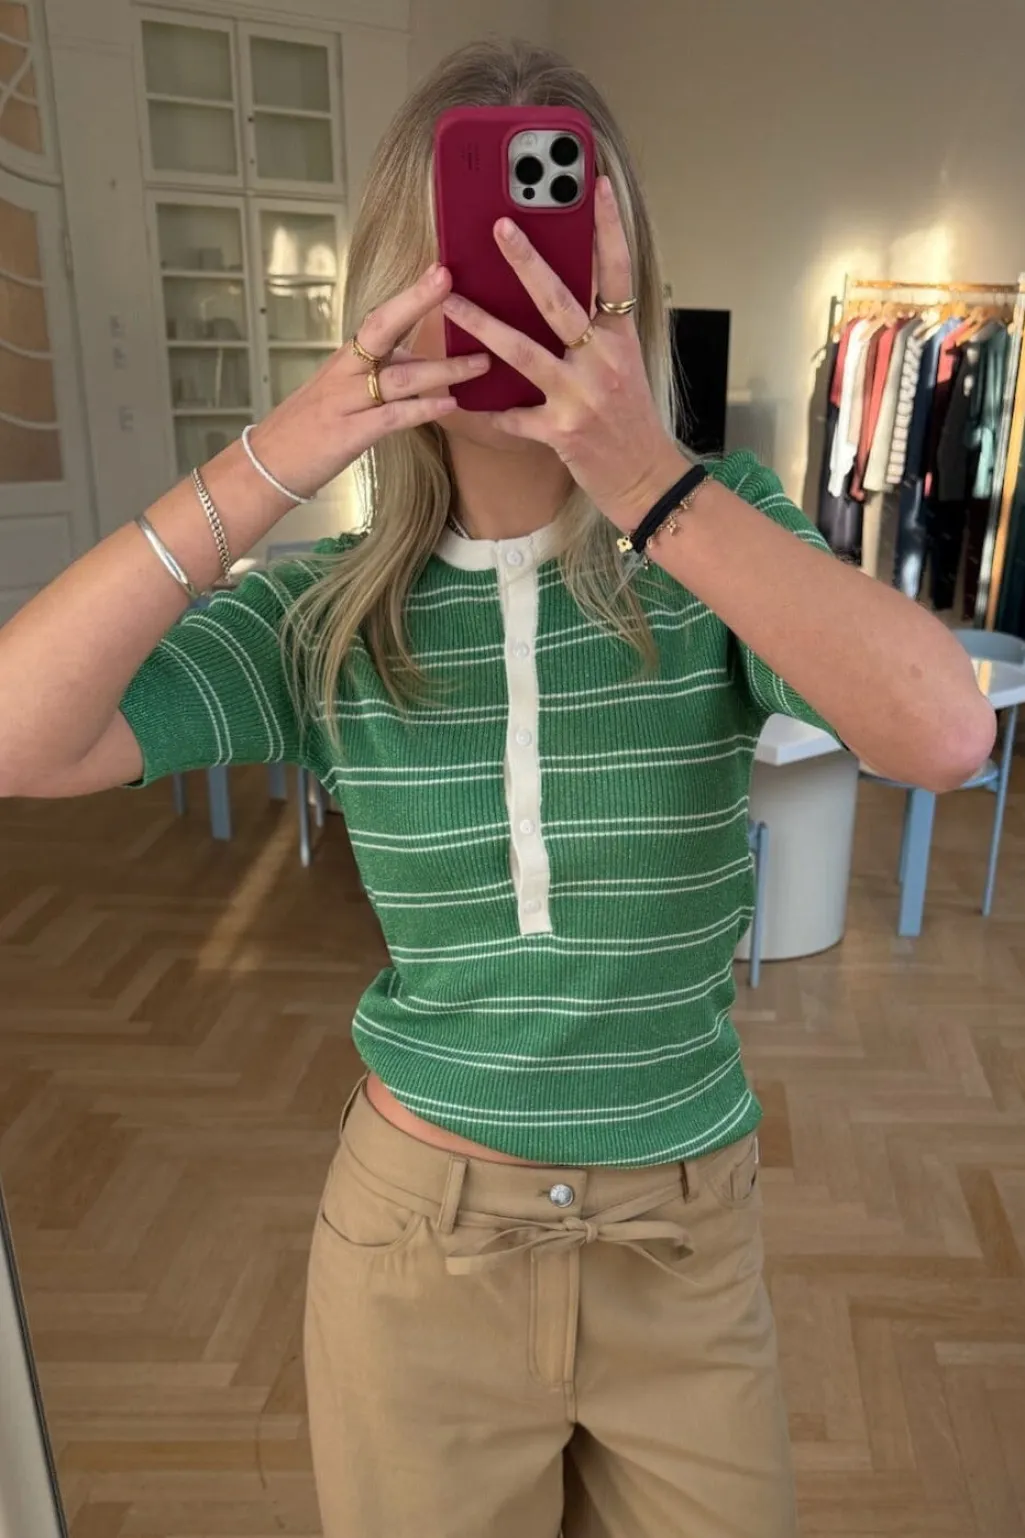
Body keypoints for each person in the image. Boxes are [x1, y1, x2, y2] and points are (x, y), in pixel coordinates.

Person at [0, 38, 995, 1538]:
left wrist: (648, 480)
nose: (511, 296)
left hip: (685, 1250)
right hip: (420, 1258)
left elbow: (946, 736)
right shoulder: (327, 613)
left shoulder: (723, 540)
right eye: (465, 256)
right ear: (387, 291)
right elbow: (23, 737)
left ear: (629, 295)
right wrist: (280, 454)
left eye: (564, 259)